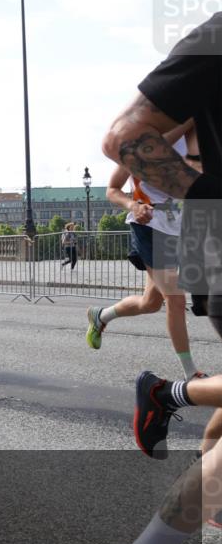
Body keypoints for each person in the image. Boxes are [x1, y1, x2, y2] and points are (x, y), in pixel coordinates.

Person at [86, 13, 222, 544]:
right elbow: (123, 141)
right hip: (198, 236)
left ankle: (172, 398)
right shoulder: (215, 39)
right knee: (158, 301)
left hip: (195, 237)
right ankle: (170, 393)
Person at [86, 121, 207, 381]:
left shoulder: (196, 136)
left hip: (182, 226)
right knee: (175, 298)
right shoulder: (140, 140)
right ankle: (191, 374)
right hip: (151, 225)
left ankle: (101, 315)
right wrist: (133, 205)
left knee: (150, 302)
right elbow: (112, 189)